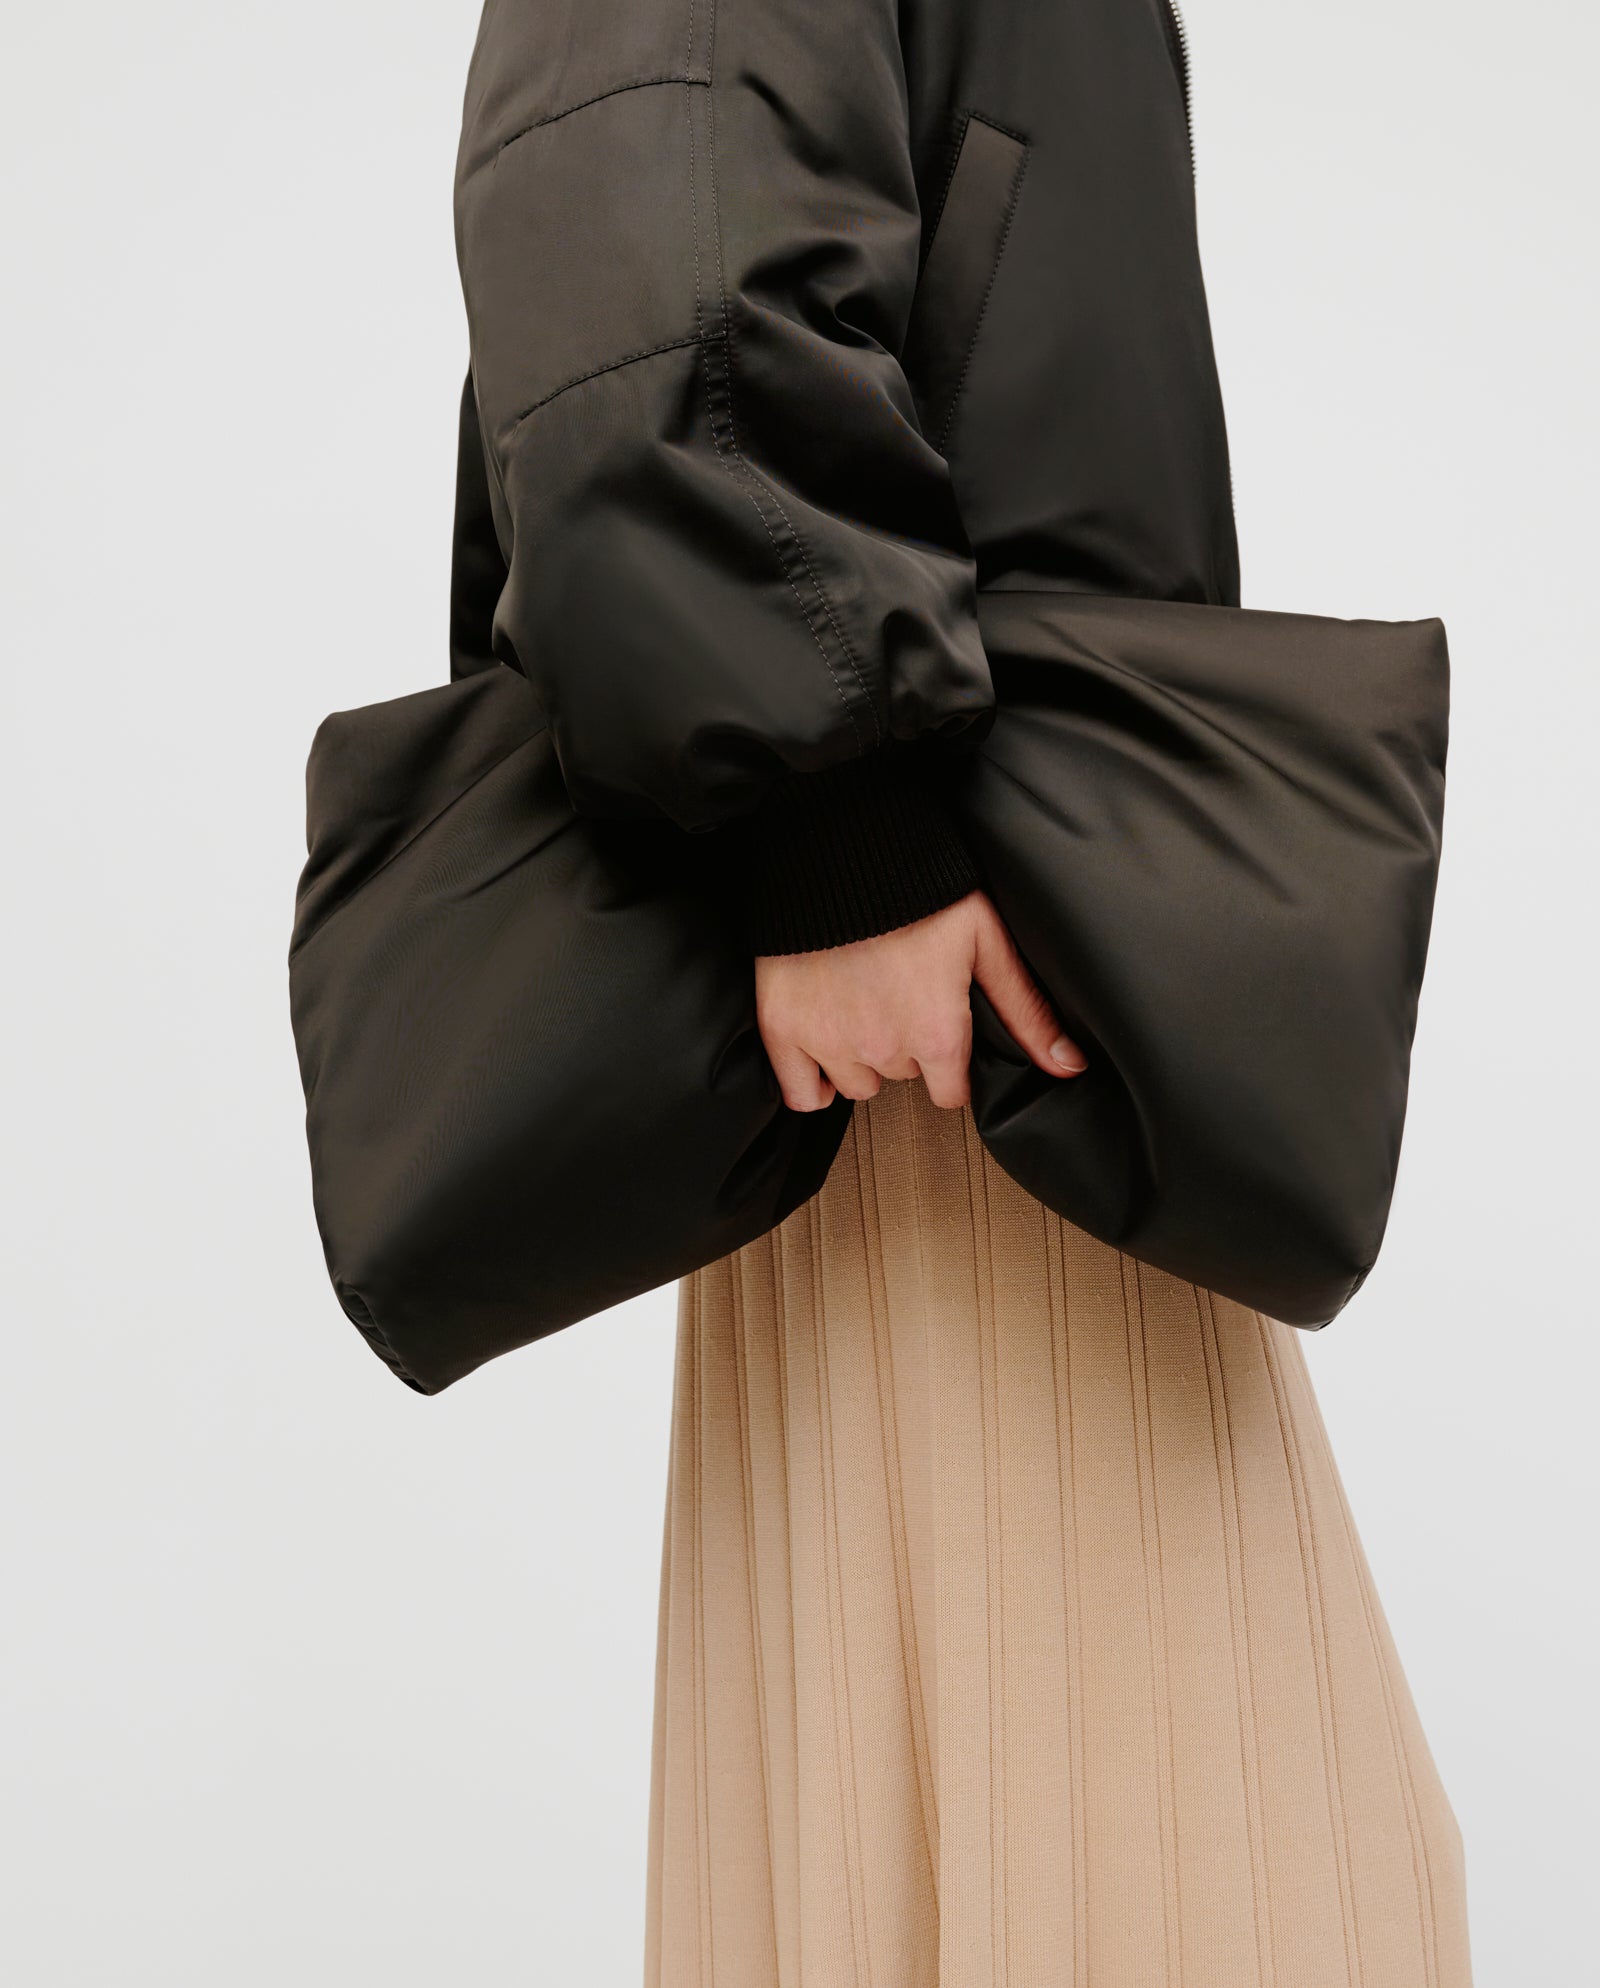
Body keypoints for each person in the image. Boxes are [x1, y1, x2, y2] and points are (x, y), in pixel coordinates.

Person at [449, 0, 1471, 1978]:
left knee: (941, 1891)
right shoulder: (896, 900)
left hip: (995, 939)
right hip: (953, 987)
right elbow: (631, 216)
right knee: (1242, 1890)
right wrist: (840, 837)